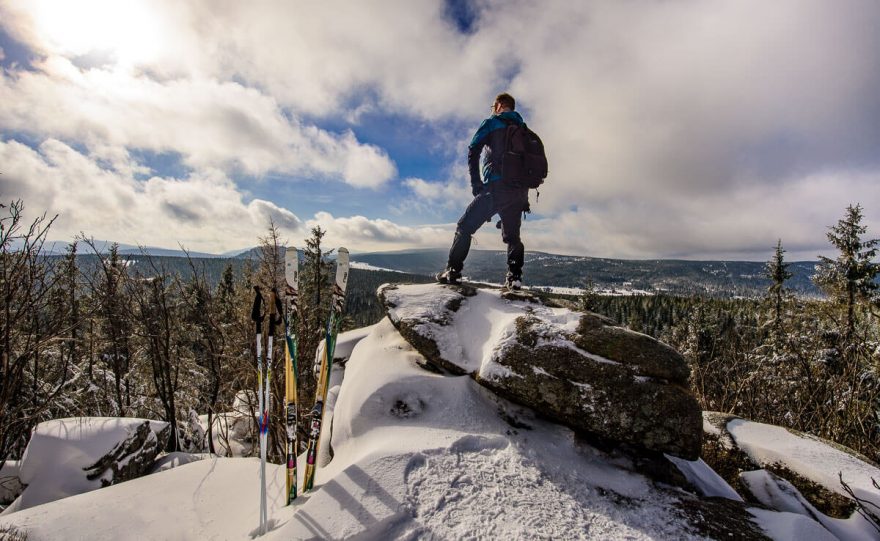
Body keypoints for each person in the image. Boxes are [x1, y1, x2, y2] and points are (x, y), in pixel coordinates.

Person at [437, 92, 531, 290]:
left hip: (494, 189)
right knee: (513, 237)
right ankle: (515, 278)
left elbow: (473, 150)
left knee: (464, 227)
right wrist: (524, 197)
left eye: (493, 107)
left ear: (498, 106)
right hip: (518, 194)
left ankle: (453, 271)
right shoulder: (523, 130)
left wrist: (476, 183)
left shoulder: (492, 122)